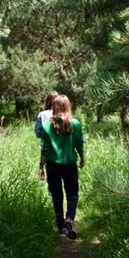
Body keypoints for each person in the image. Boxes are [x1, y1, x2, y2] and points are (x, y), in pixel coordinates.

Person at [39, 95, 84, 239]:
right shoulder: (75, 124)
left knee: (56, 195)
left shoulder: (47, 126)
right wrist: (82, 157)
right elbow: (79, 143)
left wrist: (41, 166)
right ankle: (70, 220)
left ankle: (61, 227)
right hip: (70, 165)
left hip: (53, 166)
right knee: (72, 194)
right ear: (68, 107)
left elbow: (45, 149)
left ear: (54, 107)